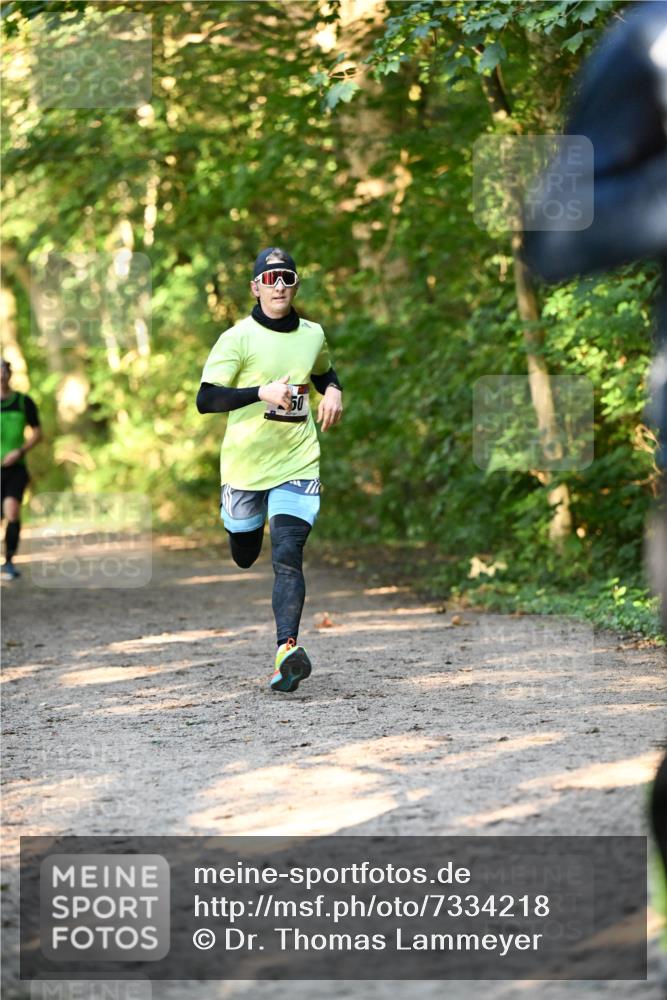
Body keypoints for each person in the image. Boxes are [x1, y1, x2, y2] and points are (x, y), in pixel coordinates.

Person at [196, 247, 343, 692]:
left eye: (287, 277)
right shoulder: (237, 338)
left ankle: (286, 652)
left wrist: (333, 389)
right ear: (256, 287)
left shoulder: (313, 334)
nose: (279, 284)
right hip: (244, 466)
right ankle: (241, 526)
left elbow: (323, 372)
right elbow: (207, 399)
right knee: (245, 553)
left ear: (295, 285)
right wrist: (260, 392)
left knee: (287, 554)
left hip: (297, 459)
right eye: (271, 277)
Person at [1, 359, 42, 580]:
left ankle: (8, 561)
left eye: (3, 369)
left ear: (9, 373)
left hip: (15, 468)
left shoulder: (23, 402)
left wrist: (20, 451)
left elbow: (37, 432)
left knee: (12, 511)